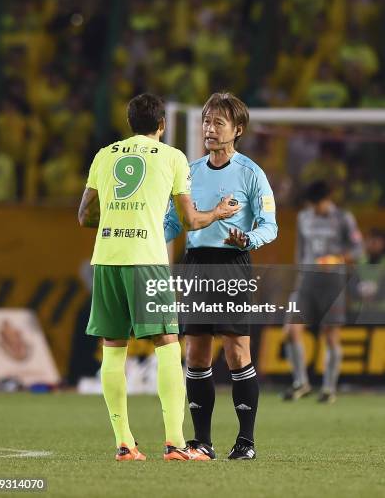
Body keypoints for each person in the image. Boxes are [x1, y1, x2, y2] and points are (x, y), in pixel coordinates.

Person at [78, 93, 239, 462]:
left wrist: (117, 219)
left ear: (130, 123)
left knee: (113, 347)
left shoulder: (105, 155)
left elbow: (85, 215)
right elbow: (190, 221)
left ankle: (125, 444)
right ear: (162, 125)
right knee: (167, 343)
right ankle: (174, 443)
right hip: (146, 260)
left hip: (106, 259)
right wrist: (217, 212)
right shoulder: (172, 157)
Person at [164, 92, 278, 461]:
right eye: (206, 121)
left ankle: (246, 442)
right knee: (195, 353)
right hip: (195, 262)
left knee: (236, 350)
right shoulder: (190, 172)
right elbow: (171, 222)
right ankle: (202, 443)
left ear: (238, 129)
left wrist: (249, 237)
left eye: (218, 123)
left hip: (233, 262)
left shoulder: (251, 173)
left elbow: (270, 225)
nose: (209, 129)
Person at [283, 180, 363, 404]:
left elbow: (358, 249)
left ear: (327, 199)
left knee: (330, 335)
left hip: (333, 282)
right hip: (307, 280)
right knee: (291, 329)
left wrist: (337, 259)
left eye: (317, 203)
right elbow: (300, 250)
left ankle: (329, 389)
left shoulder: (343, 218)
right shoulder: (303, 217)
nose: (314, 208)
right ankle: (301, 382)